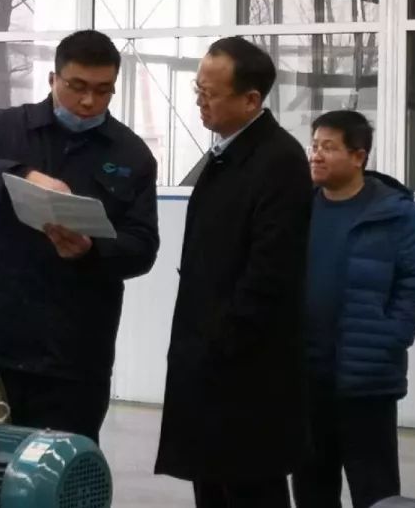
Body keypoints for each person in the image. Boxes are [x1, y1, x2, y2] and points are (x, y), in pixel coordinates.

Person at [0, 30, 158, 440]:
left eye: (103, 90)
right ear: (53, 79)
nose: (88, 101)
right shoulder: (5, 128)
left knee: (60, 468)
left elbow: (142, 247)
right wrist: (20, 176)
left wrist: (91, 251)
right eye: (77, 87)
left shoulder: (131, 154)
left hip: (74, 357)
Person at [155, 36, 314, 508]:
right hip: (209, 359)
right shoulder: (226, 153)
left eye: (209, 94)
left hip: (245, 369)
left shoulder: (278, 160)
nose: (200, 102)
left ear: (250, 99)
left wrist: (221, 342)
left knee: (249, 485)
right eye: (197, 90)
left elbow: (271, 271)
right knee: (212, 483)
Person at [292, 110, 415, 508]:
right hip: (307, 378)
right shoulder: (299, 207)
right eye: (314, 146)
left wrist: (389, 337)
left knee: (376, 492)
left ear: (358, 156)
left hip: (367, 380)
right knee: (311, 490)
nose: (316, 155)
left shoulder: (393, 212)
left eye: (329, 147)